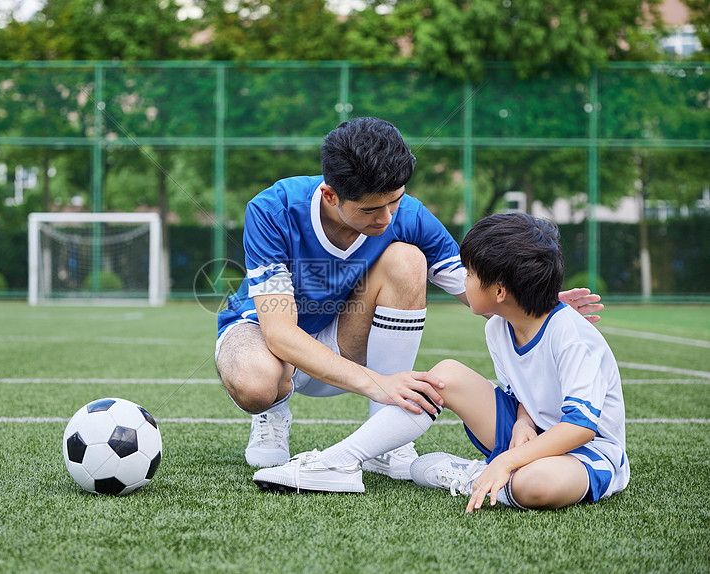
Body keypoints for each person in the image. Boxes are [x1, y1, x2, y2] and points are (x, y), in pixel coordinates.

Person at [216, 117, 603, 480]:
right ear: (330, 195)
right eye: (371, 208)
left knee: (408, 259)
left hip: (345, 344)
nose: (386, 218)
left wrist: (536, 305)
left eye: (395, 201)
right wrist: (379, 383)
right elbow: (280, 334)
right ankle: (273, 412)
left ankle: (385, 436)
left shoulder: (410, 215)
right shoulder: (273, 208)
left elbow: (477, 290)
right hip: (266, 339)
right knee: (255, 383)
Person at [253, 213, 629, 513]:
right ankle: (338, 461)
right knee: (445, 375)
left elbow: (581, 427)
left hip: (585, 452)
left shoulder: (572, 335)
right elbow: (525, 394)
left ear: (499, 291)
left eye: (469, 275)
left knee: (536, 485)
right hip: (529, 438)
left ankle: (476, 474)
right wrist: (522, 422)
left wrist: (508, 460)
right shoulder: (499, 327)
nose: (461, 282)